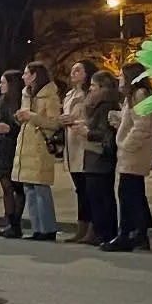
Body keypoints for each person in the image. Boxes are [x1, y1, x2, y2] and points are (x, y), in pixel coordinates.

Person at [104, 62, 152, 252]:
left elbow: (142, 126)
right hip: (132, 151)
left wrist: (126, 144)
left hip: (135, 152)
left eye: (121, 75)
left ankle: (126, 234)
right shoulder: (131, 97)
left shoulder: (139, 95)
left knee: (127, 193)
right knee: (135, 192)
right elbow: (133, 121)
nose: (119, 78)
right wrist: (119, 120)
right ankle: (140, 233)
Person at [12, 62, 61, 241]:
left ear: (34, 75)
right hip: (26, 145)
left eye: (26, 73)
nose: (23, 77)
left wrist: (32, 117)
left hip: (40, 146)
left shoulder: (50, 97)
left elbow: (55, 123)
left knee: (41, 188)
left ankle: (48, 228)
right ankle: (37, 228)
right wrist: (19, 117)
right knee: (29, 188)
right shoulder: (27, 94)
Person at [75, 70, 120, 246]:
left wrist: (87, 132)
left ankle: (105, 233)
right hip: (94, 154)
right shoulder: (101, 103)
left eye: (93, 85)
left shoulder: (105, 104)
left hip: (99, 154)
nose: (90, 89)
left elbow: (104, 132)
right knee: (97, 194)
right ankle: (103, 233)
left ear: (101, 87)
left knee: (100, 195)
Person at [60, 60, 96, 243]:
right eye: (72, 69)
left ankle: (91, 228)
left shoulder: (91, 94)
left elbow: (93, 120)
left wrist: (74, 121)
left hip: (85, 145)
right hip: (72, 145)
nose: (73, 72)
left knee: (88, 190)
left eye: (78, 70)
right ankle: (82, 228)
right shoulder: (69, 94)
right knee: (80, 190)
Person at [0, 70, 24, 237]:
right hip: (1, 147)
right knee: (7, 186)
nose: (0, 85)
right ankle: (12, 222)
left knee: (16, 187)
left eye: (3, 82)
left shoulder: (19, 102)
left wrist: (11, 129)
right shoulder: (1, 101)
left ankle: (14, 222)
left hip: (13, 147)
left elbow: (23, 126)